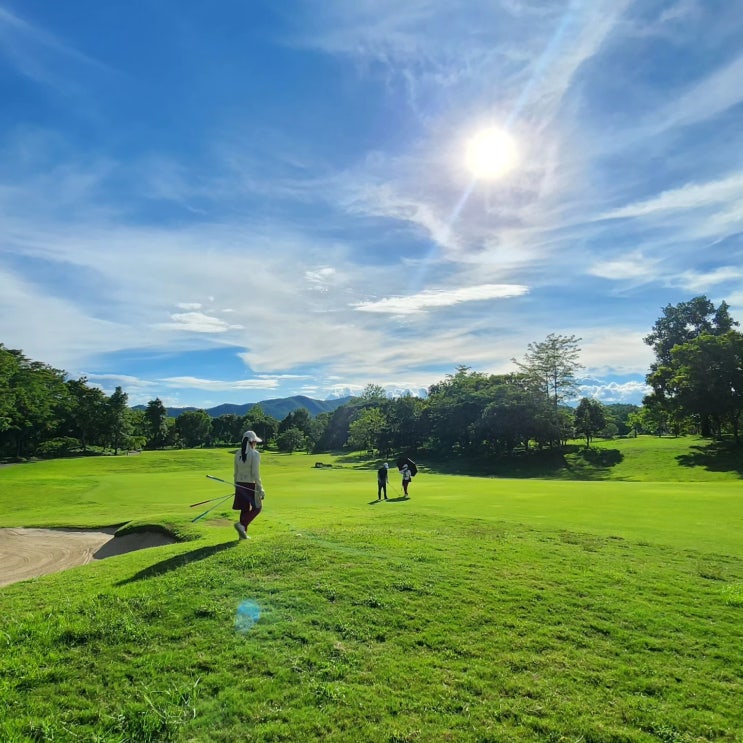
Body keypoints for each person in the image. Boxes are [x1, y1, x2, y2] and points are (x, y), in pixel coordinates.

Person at [233, 430, 266, 540]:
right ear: (252, 442)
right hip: (250, 485)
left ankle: (242, 536)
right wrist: (260, 488)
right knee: (258, 508)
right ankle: (241, 525)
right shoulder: (255, 454)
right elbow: (255, 473)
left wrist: (236, 485)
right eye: (255, 442)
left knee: (244, 509)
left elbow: (236, 472)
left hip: (239, 484)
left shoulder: (237, 454)